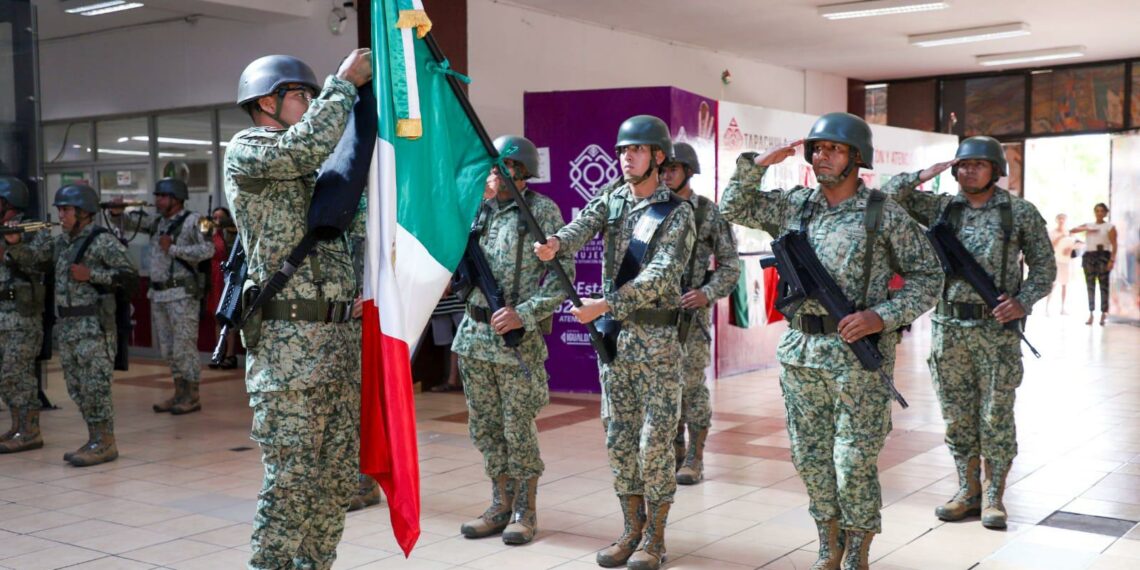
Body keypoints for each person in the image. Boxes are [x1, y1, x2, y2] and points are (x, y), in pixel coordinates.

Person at [720, 112, 942, 569]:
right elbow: (733, 206)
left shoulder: (884, 212)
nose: (821, 156)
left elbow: (928, 277)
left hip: (858, 359)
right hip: (802, 353)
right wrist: (757, 164)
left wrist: (882, 316)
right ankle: (828, 542)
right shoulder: (795, 205)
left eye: (833, 149)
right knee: (811, 457)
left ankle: (857, 551)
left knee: (853, 460)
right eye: (816, 149)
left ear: (856, 158)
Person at [224, 50, 372, 569]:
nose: (310, 104)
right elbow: (302, 148)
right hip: (289, 354)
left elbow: (354, 224)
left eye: (313, 95)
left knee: (334, 485)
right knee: (290, 485)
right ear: (266, 101)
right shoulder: (250, 149)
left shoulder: (315, 170)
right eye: (300, 95)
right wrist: (343, 85)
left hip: (337, 347)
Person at [535, 115, 694, 570]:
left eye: (638, 150)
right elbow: (580, 227)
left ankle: (656, 539)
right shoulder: (612, 200)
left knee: (654, 444)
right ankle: (630, 530)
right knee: (619, 439)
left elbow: (661, 273)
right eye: (623, 150)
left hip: (657, 342)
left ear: (659, 157)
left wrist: (605, 304)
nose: (627, 158)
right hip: (617, 344)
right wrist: (554, 244)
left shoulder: (676, 213)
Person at [885, 135, 1055, 531]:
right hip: (948, 328)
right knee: (956, 415)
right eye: (962, 164)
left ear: (996, 170)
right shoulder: (942, 208)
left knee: (995, 415)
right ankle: (967, 490)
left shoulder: (1019, 212)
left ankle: (995, 495)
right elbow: (889, 197)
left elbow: (1044, 269)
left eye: (978, 164)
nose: (968, 170)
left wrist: (1022, 301)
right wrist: (924, 173)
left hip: (996, 330)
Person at [451, 135, 572, 545]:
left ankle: (525, 510)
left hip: (515, 342)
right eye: (491, 169)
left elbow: (562, 279)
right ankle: (499, 503)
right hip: (473, 338)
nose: (493, 177)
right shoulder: (475, 211)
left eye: (501, 169)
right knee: (485, 428)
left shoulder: (539, 212)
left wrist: (526, 312)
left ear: (521, 173)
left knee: (516, 427)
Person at [5, 184, 136, 467]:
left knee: (95, 387)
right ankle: (94, 439)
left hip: (93, 326)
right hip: (68, 326)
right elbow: (36, 263)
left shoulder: (101, 241)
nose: (61, 215)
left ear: (84, 212)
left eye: (66, 209)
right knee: (77, 387)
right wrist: (15, 245)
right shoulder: (61, 242)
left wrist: (93, 275)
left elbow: (129, 278)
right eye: (60, 209)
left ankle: (105, 442)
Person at [659, 141, 739, 485]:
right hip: (655, 317)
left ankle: (695, 456)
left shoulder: (707, 212)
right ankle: (673, 450)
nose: (665, 176)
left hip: (691, 319)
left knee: (691, 386)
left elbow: (731, 266)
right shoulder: (652, 209)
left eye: (673, 170)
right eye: (662, 169)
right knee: (663, 387)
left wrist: (705, 293)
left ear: (688, 173)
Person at [108, 178, 214, 414]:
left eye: (162, 196)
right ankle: (179, 392)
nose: (157, 201)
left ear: (176, 199)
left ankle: (192, 395)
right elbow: (132, 223)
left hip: (182, 295)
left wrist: (174, 248)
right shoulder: (158, 222)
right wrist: (117, 213)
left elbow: (209, 250)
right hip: (159, 294)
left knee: (184, 347)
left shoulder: (198, 221)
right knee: (168, 349)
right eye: (157, 196)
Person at [0, 176, 48, 453]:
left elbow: (41, 261)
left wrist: (13, 247)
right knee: (5, 377)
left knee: (19, 374)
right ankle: (17, 425)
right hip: (2, 315)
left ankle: (30, 431)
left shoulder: (32, 229)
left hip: (22, 316)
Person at [1070, 203, 1117, 326]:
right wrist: (1086, 229)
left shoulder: (1109, 226)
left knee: (1103, 285)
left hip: (1103, 255)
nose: (1099, 213)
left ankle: (1103, 313)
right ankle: (1091, 313)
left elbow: (1114, 244)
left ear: (1106, 213)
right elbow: (1072, 230)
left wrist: (1112, 260)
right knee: (1090, 285)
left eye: (1102, 211)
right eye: (1097, 211)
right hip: (1089, 256)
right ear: (1094, 212)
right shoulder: (1089, 225)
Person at [207, 207, 239, 369]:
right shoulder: (210, 233)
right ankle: (218, 352)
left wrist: (223, 225)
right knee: (216, 319)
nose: (216, 220)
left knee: (228, 317)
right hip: (214, 279)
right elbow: (200, 230)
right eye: (214, 217)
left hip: (227, 278)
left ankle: (230, 355)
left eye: (220, 217)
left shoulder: (231, 232)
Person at [1047, 213, 1078, 315]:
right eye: (1059, 218)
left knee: (1064, 285)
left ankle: (1062, 308)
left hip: (1066, 261)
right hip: (1055, 260)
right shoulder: (1052, 232)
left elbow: (1078, 244)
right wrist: (1060, 237)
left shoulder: (1070, 233)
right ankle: (1047, 307)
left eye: (1063, 218)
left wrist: (1070, 248)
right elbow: (1050, 246)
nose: (1061, 220)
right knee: (1053, 284)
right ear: (1056, 220)